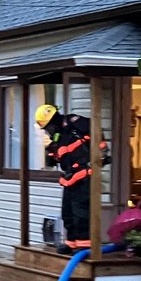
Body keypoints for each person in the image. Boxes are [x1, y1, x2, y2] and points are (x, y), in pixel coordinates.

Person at [36, 104, 106, 251]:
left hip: (84, 175)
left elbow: (95, 129)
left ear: (54, 120)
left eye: (49, 127)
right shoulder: (58, 137)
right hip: (69, 178)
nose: (48, 131)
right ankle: (71, 242)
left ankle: (84, 245)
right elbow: (60, 157)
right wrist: (51, 153)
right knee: (67, 212)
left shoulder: (74, 123)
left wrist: (102, 154)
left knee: (81, 212)